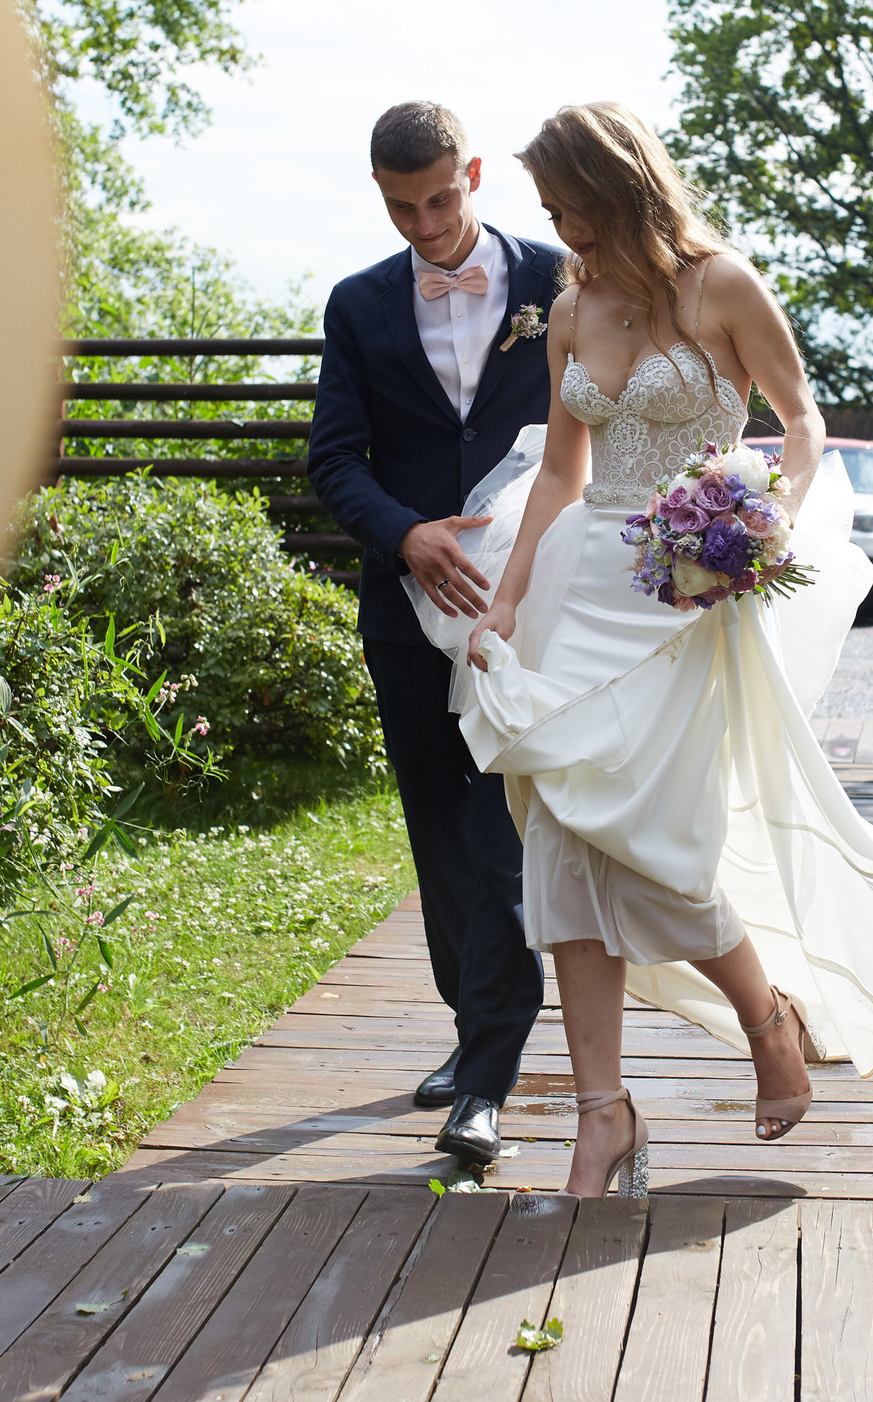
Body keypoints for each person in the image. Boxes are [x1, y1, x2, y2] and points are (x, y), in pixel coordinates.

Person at [450, 102, 873, 1198]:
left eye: (569, 207)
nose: (560, 230)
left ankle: (767, 1019)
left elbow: (799, 424)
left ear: (619, 189)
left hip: (689, 595)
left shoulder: (722, 285)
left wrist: (759, 529)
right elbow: (562, 475)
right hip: (584, 586)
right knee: (561, 844)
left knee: (656, 839)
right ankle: (600, 1116)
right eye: (550, 214)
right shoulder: (570, 307)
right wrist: (507, 602)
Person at [306, 101, 566, 1170]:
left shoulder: (559, 280)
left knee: (496, 833)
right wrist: (403, 533)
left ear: (472, 173)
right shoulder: (357, 304)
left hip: (535, 604)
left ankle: (487, 1081)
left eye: (440, 201)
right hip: (406, 613)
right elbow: (333, 459)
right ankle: (473, 1037)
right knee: (436, 831)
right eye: (400, 208)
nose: (425, 226)